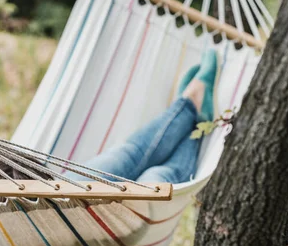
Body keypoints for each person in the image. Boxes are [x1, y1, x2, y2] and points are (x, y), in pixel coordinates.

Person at [69, 49, 219, 185]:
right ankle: (190, 109)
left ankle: (192, 115)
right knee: (154, 174)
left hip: (56, 190)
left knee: (125, 155)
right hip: (67, 201)